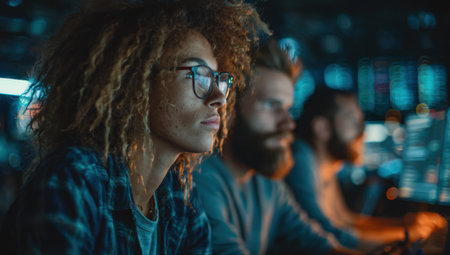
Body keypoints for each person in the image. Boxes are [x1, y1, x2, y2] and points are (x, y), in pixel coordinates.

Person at [0, 0, 269, 254]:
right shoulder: (74, 181)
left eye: (219, 80)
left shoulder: (180, 202)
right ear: (134, 83)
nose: (219, 98)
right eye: (199, 75)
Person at [194, 40, 359, 255]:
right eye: (272, 105)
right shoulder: (201, 178)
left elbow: (318, 245)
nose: (288, 123)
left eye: (288, 108)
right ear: (230, 110)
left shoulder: (266, 180)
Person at [285, 86, 448, 253]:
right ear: (322, 128)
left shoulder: (324, 164)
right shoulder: (300, 160)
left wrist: (404, 223)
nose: (363, 133)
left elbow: (347, 220)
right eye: (353, 121)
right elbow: (334, 235)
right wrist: (408, 234)